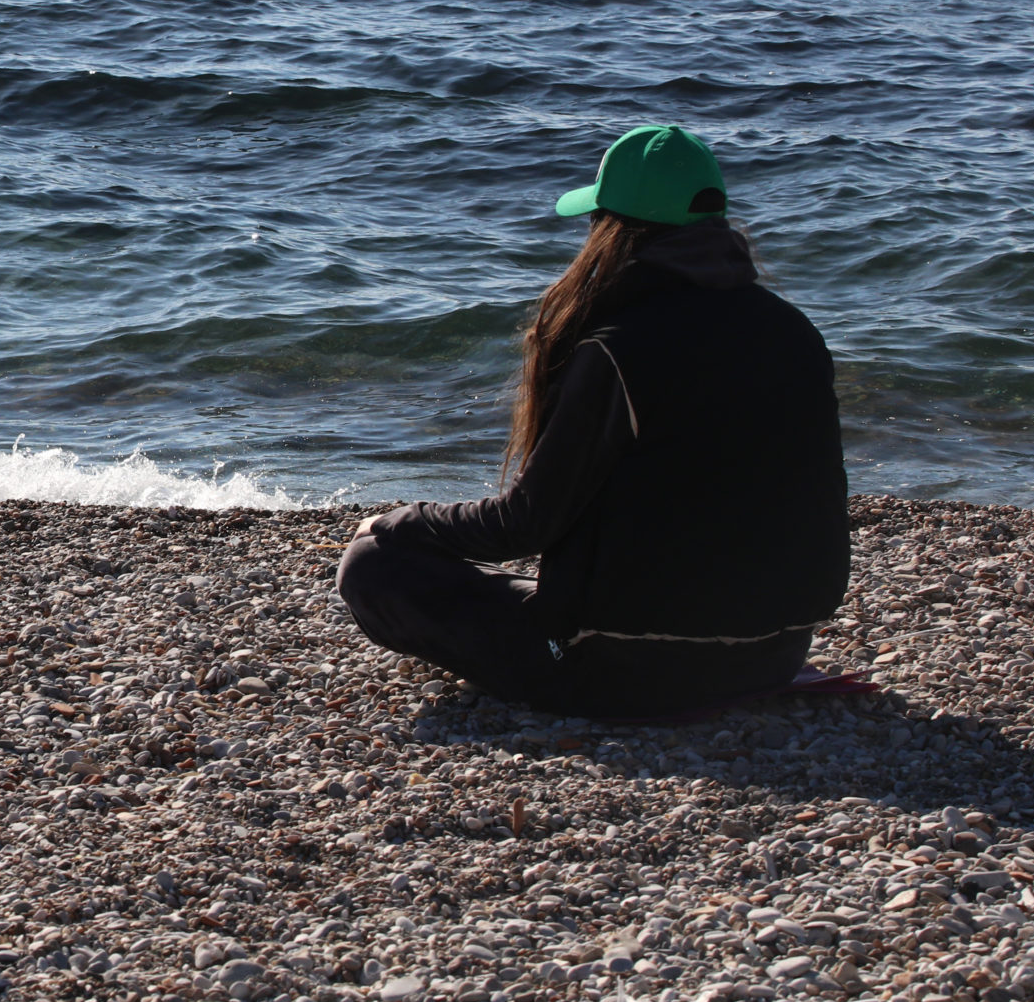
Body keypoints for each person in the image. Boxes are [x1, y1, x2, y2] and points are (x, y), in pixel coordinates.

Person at [337, 124, 849, 719]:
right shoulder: (794, 331)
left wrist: (400, 520)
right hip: (775, 650)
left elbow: (522, 526)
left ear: (613, 230)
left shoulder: (619, 349)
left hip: (627, 667)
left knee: (371, 565)